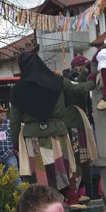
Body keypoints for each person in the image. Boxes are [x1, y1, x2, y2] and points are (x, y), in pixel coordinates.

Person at [11, 52, 95, 204]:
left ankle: (44, 204)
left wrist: (15, 143)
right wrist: (93, 78)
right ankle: (72, 198)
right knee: (63, 166)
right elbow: (79, 90)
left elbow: (15, 121)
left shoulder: (18, 89)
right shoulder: (57, 80)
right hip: (57, 132)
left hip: (33, 137)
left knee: (39, 172)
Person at [64, 55, 99, 202]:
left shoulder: (74, 80)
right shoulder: (69, 81)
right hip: (73, 125)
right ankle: (75, 194)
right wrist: (88, 74)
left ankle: (83, 193)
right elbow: (79, 89)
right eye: (82, 67)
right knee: (78, 160)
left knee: (85, 161)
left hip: (81, 124)